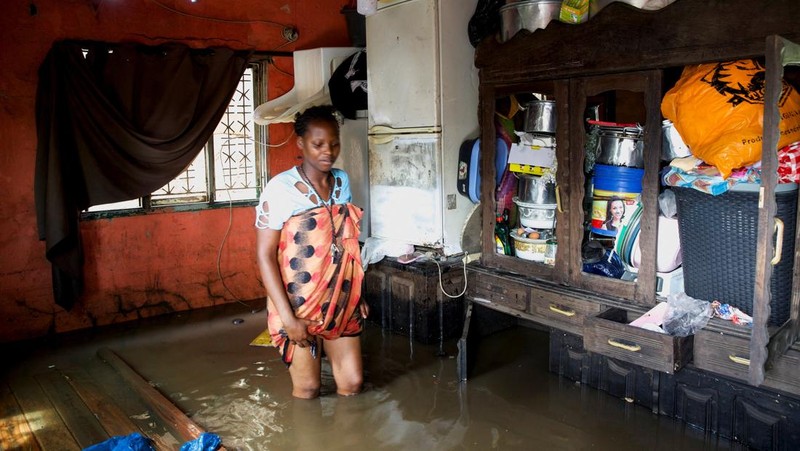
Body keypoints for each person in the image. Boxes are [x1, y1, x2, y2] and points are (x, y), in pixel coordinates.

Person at [254, 105, 368, 399]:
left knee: (352, 384)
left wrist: (357, 294)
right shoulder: (280, 189)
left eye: (333, 143)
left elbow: (347, 244)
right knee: (308, 389)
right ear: (300, 144)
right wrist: (289, 319)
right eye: (318, 144)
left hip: (339, 299)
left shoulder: (341, 183)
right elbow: (265, 256)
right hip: (296, 304)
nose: (327, 151)